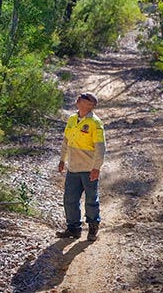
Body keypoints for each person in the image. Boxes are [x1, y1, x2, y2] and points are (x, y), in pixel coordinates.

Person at [56, 92, 106, 241]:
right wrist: (62, 160)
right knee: (70, 199)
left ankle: (92, 228)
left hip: (88, 168)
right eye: (80, 97)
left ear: (90, 105)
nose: (79, 98)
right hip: (73, 168)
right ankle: (73, 229)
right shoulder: (72, 119)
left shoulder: (95, 123)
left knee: (91, 199)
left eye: (83, 98)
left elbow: (100, 147)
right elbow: (66, 141)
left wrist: (96, 168)